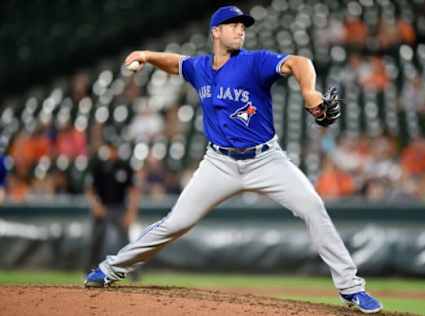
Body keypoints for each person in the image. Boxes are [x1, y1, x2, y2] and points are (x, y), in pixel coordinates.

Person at [85, 6, 382, 314]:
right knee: (175, 223)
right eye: (233, 25)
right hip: (219, 163)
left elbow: (299, 62)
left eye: (243, 26)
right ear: (216, 31)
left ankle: (351, 288)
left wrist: (309, 90)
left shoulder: (255, 62)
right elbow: (176, 64)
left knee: (313, 208)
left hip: (266, 160)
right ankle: (111, 269)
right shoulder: (200, 67)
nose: (241, 30)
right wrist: (146, 54)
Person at [85, 141, 140, 276]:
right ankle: (90, 270)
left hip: (120, 208)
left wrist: (131, 212)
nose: (111, 151)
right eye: (110, 148)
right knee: (95, 241)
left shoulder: (125, 167)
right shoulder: (98, 166)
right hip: (102, 207)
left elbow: (133, 191)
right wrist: (96, 205)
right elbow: (90, 189)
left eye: (114, 148)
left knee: (125, 242)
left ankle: (133, 274)